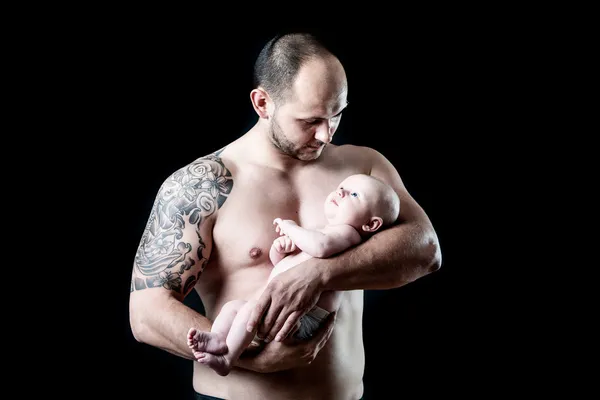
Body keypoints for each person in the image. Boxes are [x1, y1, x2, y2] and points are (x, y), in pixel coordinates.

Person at [129, 31, 441, 400]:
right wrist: (248, 359)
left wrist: (318, 273)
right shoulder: (204, 185)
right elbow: (146, 312)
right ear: (263, 103)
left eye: (336, 114)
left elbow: (425, 250)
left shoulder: (363, 168)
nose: (326, 134)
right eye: (310, 120)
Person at [186, 173, 401, 376]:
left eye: (354, 194)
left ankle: (227, 359)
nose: (341, 193)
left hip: (304, 317)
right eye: (342, 188)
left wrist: (291, 228)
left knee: (249, 309)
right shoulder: (326, 232)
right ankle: (219, 340)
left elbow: (320, 247)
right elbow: (285, 270)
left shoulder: (348, 235)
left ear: (371, 224)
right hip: (288, 311)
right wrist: (280, 251)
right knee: (232, 308)